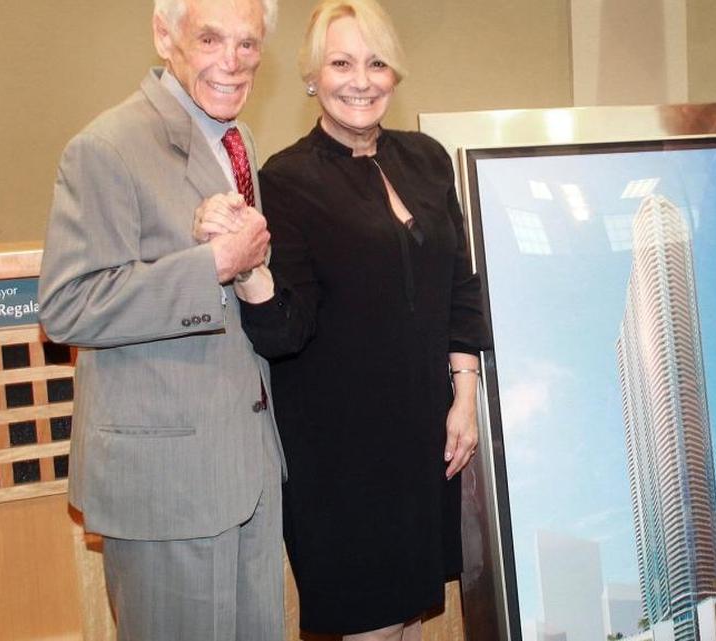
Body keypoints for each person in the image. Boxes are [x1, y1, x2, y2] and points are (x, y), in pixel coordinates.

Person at [218, 1, 490, 639]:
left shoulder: (427, 159)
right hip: (339, 455)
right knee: (371, 621)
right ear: (313, 76)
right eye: (341, 63)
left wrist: (465, 397)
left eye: (375, 63)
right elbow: (287, 330)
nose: (360, 80)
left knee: (409, 616)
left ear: (395, 73)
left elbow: (460, 285)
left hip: (425, 436)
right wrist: (250, 274)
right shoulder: (286, 180)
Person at [37, 0, 284, 639]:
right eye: (210, 38)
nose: (232, 63)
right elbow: (67, 306)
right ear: (163, 34)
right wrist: (210, 265)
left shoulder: (238, 139)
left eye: (248, 44)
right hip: (166, 488)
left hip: (247, 470)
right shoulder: (104, 147)